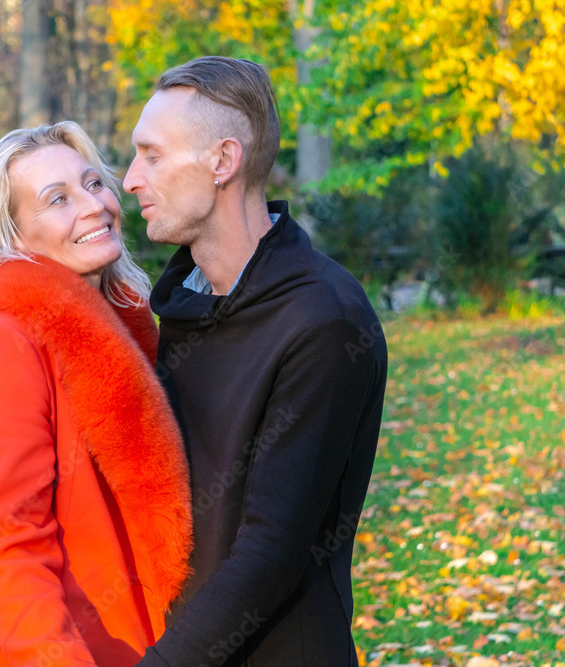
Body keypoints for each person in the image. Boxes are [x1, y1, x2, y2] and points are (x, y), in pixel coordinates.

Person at [123, 56, 388, 666]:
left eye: (152, 155)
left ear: (222, 161)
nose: (132, 177)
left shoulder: (323, 320)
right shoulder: (184, 304)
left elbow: (271, 550)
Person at [0, 121, 193, 667]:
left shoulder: (128, 343)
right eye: (57, 199)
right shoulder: (0, 347)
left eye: (94, 184)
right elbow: (8, 547)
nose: (94, 205)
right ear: (13, 238)